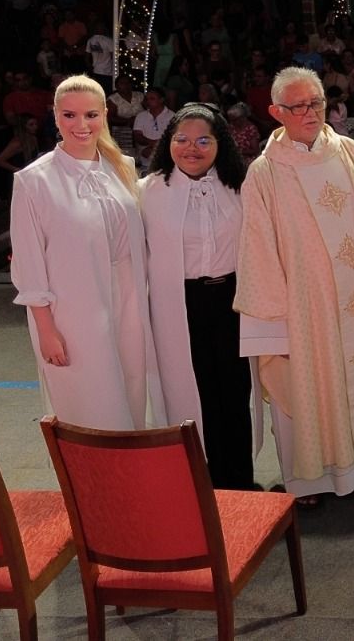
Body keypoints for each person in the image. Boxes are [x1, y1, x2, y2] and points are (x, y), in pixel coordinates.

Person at [234, 66, 354, 505]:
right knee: (311, 388)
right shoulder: (265, 173)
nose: (310, 113)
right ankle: (312, 479)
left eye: (316, 103)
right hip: (307, 310)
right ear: (276, 112)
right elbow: (257, 247)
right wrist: (274, 321)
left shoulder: (350, 153)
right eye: (297, 106)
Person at [10, 75, 162, 431]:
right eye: (70, 115)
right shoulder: (33, 181)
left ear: (105, 114)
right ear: (55, 115)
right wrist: (47, 329)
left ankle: (130, 477)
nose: (81, 125)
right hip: (74, 313)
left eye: (91, 115)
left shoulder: (121, 167)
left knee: (133, 391)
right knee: (92, 403)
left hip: (129, 303)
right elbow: (29, 264)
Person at [140, 103, 254, 489]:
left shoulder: (239, 186)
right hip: (179, 305)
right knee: (194, 391)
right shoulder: (149, 192)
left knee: (236, 393)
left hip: (232, 302)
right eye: (182, 139)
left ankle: (238, 480)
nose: (192, 148)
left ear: (220, 143)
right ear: (168, 142)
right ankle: (199, 483)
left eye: (204, 140)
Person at [131, 88, 174, 163]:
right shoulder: (141, 116)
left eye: (152, 99)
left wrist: (156, 147)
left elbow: (174, 137)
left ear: (161, 100)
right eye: (147, 99)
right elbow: (138, 136)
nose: (148, 101)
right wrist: (152, 143)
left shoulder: (172, 116)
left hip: (165, 155)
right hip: (144, 155)